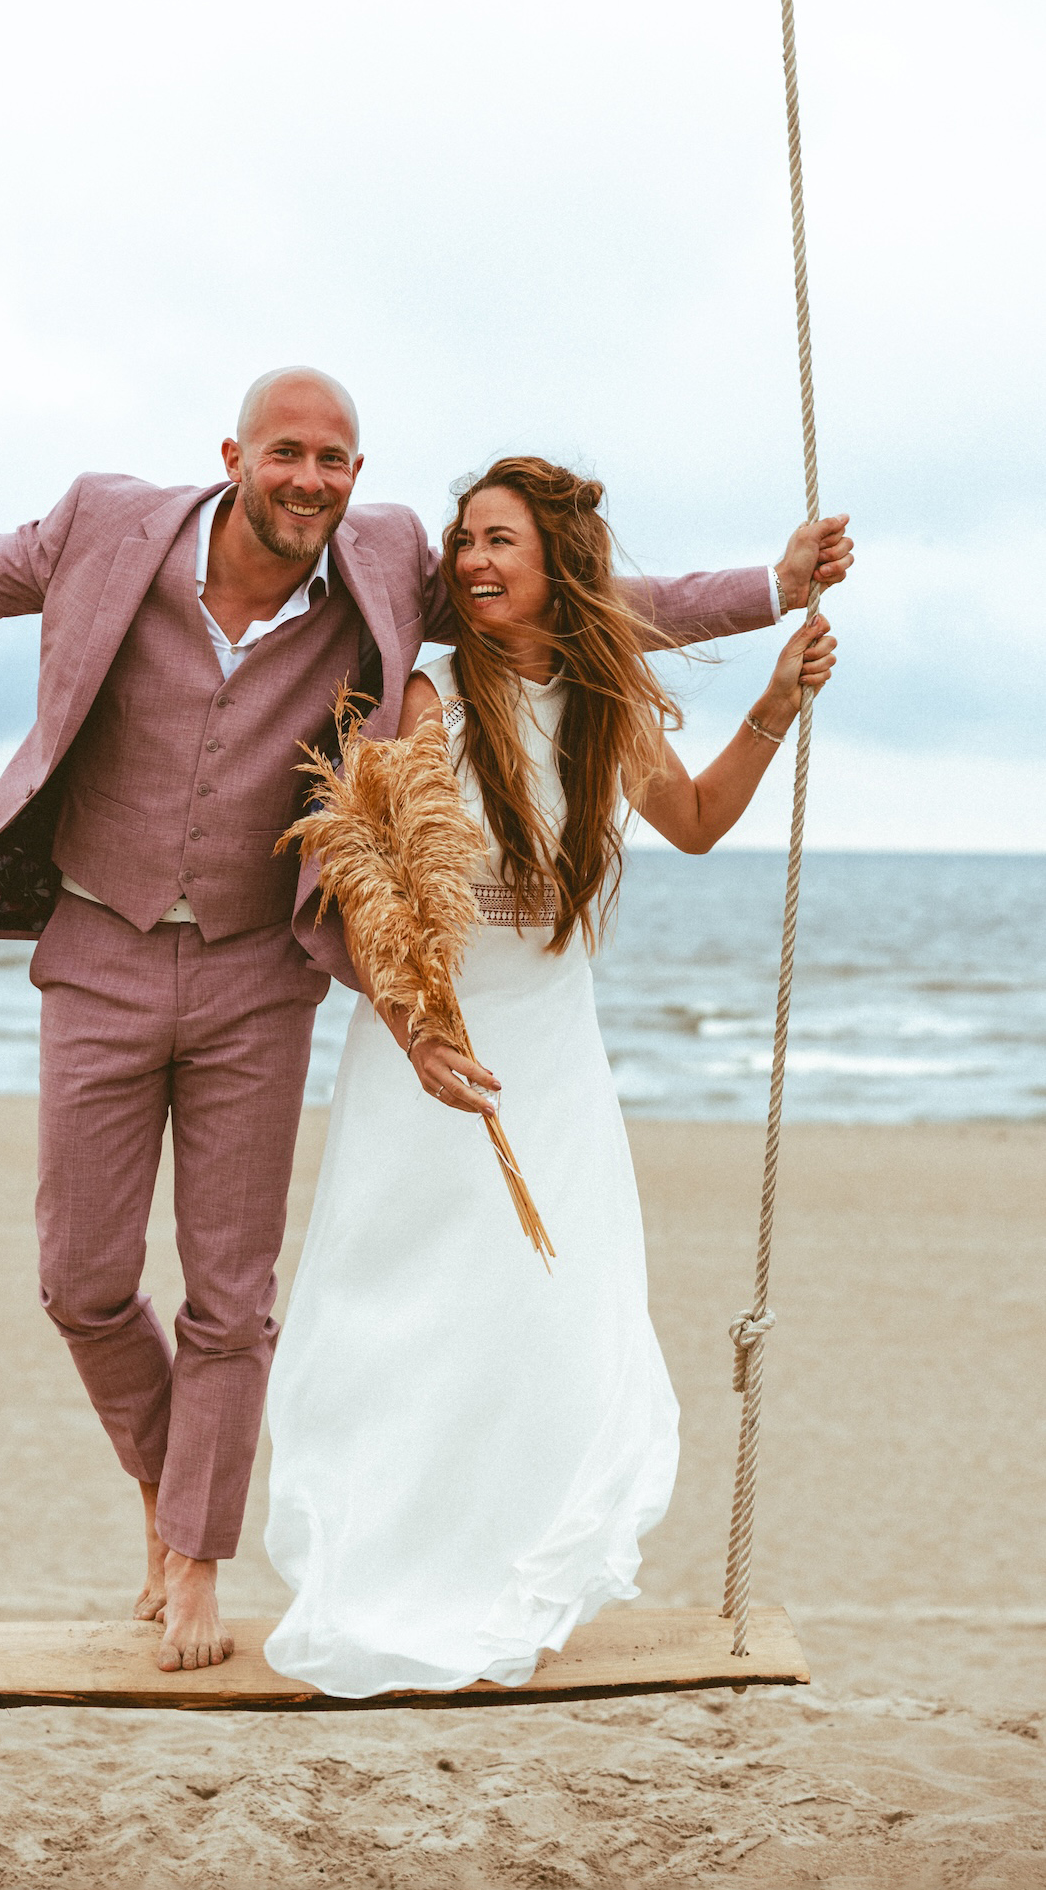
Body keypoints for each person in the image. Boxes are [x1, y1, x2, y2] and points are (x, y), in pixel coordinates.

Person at [0, 375, 853, 1673]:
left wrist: (773, 586)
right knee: (81, 1281)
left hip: (259, 970)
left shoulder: (391, 559)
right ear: (231, 453)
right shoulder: (106, 527)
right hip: (98, 948)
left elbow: (597, 608)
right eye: (286, 452)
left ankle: (194, 1561)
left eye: (335, 458)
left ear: (359, 473)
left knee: (232, 1301)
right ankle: (169, 1483)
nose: (310, 478)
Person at [263, 455, 839, 1698]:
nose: (471, 562)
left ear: (557, 563)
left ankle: (519, 1563)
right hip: (434, 1033)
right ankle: (386, 1561)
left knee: (548, 1309)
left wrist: (777, 707)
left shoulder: (601, 701)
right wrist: (417, 1032)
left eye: (499, 542)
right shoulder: (425, 698)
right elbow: (372, 877)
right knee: (403, 1302)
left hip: (554, 1041)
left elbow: (690, 821)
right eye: (464, 541)